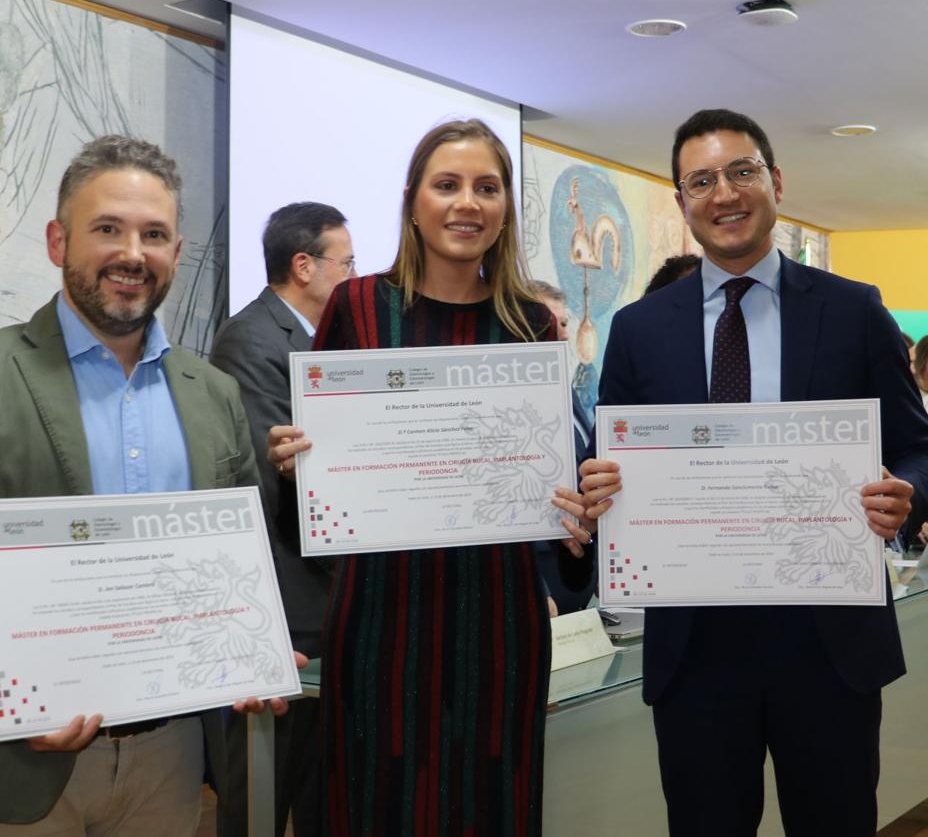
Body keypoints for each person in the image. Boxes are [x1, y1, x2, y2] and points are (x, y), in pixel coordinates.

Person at [0, 135, 297, 836]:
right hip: (15, 756)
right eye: (108, 228)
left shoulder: (215, 394)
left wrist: (252, 645)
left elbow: (237, 563)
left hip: (171, 757)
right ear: (57, 240)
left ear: (175, 251)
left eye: (154, 234)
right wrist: (25, 691)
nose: (132, 253)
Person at [579, 109, 928, 836]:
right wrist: (599, 486)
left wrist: (908, 493)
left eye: (742, 171)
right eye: (701, 180)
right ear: (682, 203)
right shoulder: (642, 327)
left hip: (828, 646)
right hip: (696, 651)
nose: (724, 193)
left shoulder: (854, 309)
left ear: (775, 180)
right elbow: (606, 462)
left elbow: (918, 447)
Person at [269, 119, 593, 836]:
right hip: (382, 619)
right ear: (414, 200)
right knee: (375, 801)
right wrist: (299, 467)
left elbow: (554, 481)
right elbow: (320, 493)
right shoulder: (356, 308)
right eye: (447, 185)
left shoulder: (531, 325)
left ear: (506, 206)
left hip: (500, 622)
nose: (466, 203)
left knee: (491, 804)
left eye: (487, 186)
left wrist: (575, 516)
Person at [209, 202, 354, 837]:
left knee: (325, 785)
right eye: (347, 263)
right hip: (287, 603)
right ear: (304, 265)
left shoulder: (330, 338)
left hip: (330, 599)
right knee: (263, 792)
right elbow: (271, 480)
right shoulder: (253, 339)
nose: (356, 276)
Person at [524, 278, 597, 615]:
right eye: (554, 323)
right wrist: (534, 590)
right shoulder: (499, 404)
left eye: (565, 323)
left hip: (576, 565)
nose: (566, 335)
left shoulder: (563, 390)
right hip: (533, 577)